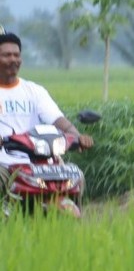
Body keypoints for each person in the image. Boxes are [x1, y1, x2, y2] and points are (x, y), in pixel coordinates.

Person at [0, 25, 94, 174]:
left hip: (37, 163)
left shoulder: (35, 91)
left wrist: (78, 136)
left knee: (76, 176)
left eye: (16, 55)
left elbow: (57, 119)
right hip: (4, 165)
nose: (13, 60)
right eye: (7, 55)